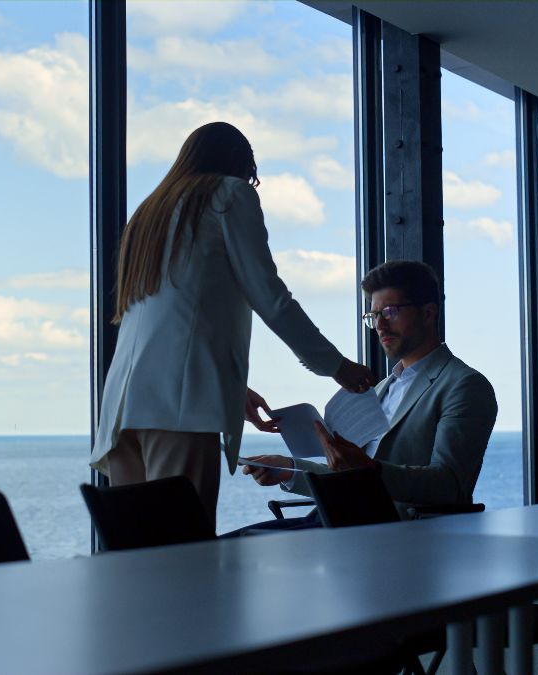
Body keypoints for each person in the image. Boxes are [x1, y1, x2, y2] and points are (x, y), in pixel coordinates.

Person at [90, 121, 374, 528]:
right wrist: (336, 366)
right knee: (185, 553)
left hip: (122, 409)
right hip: (179, 411)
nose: (248, 183)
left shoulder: (148, 214)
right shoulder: (228, 194)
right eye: (251, 176)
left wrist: (229, 388)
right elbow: (270, 298)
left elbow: (171, 315)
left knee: (139, 554)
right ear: (242, 166)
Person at [240, 259, 497, 529]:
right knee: (233, 547)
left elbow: (448, 486)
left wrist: (367, 470)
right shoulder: (383, 387)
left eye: (390, 311)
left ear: (428, 313)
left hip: (391, 531)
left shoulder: (464, 385)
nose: (380, 325)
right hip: (341, 521)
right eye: (373, 316)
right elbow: (350, 474)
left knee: (236, 550)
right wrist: (289, 469)